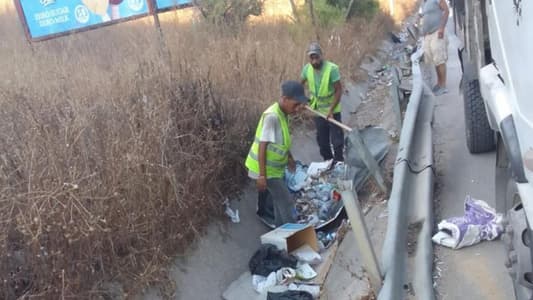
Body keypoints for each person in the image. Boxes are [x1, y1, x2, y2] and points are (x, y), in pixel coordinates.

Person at [245, 80, 308, 227]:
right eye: (296, 104)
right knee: (286, 202)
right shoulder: (272, 117)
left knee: (280, 203)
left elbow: (281, 143)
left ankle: (282, 235)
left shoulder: (283, 114)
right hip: (264, 170)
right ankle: (293, 237)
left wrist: (290, 158)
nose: (298, 108)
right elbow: (263, 146)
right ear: (285, 99)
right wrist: (262, 176)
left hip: (274, 170)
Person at [301, 42, 344, 163]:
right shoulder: (307, 69)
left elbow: (338, 90)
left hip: (332, 111)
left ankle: (339, 163)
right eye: (311, 58)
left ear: (321, 56)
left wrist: (330, 110)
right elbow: (300, 85)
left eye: (316, 57)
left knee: (337, 142)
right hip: (318, 111)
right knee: (323, 142)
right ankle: (329, 163)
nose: (314, 61)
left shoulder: (332, 69)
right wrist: (302, 100)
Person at [421, 0, 450, 96]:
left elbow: (446, 11)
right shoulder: (424, 3)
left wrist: (441, 28)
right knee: (434, 60)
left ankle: (443, 86)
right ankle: (439, 83)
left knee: (440, 59)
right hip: (428, 35)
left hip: (437, 32)